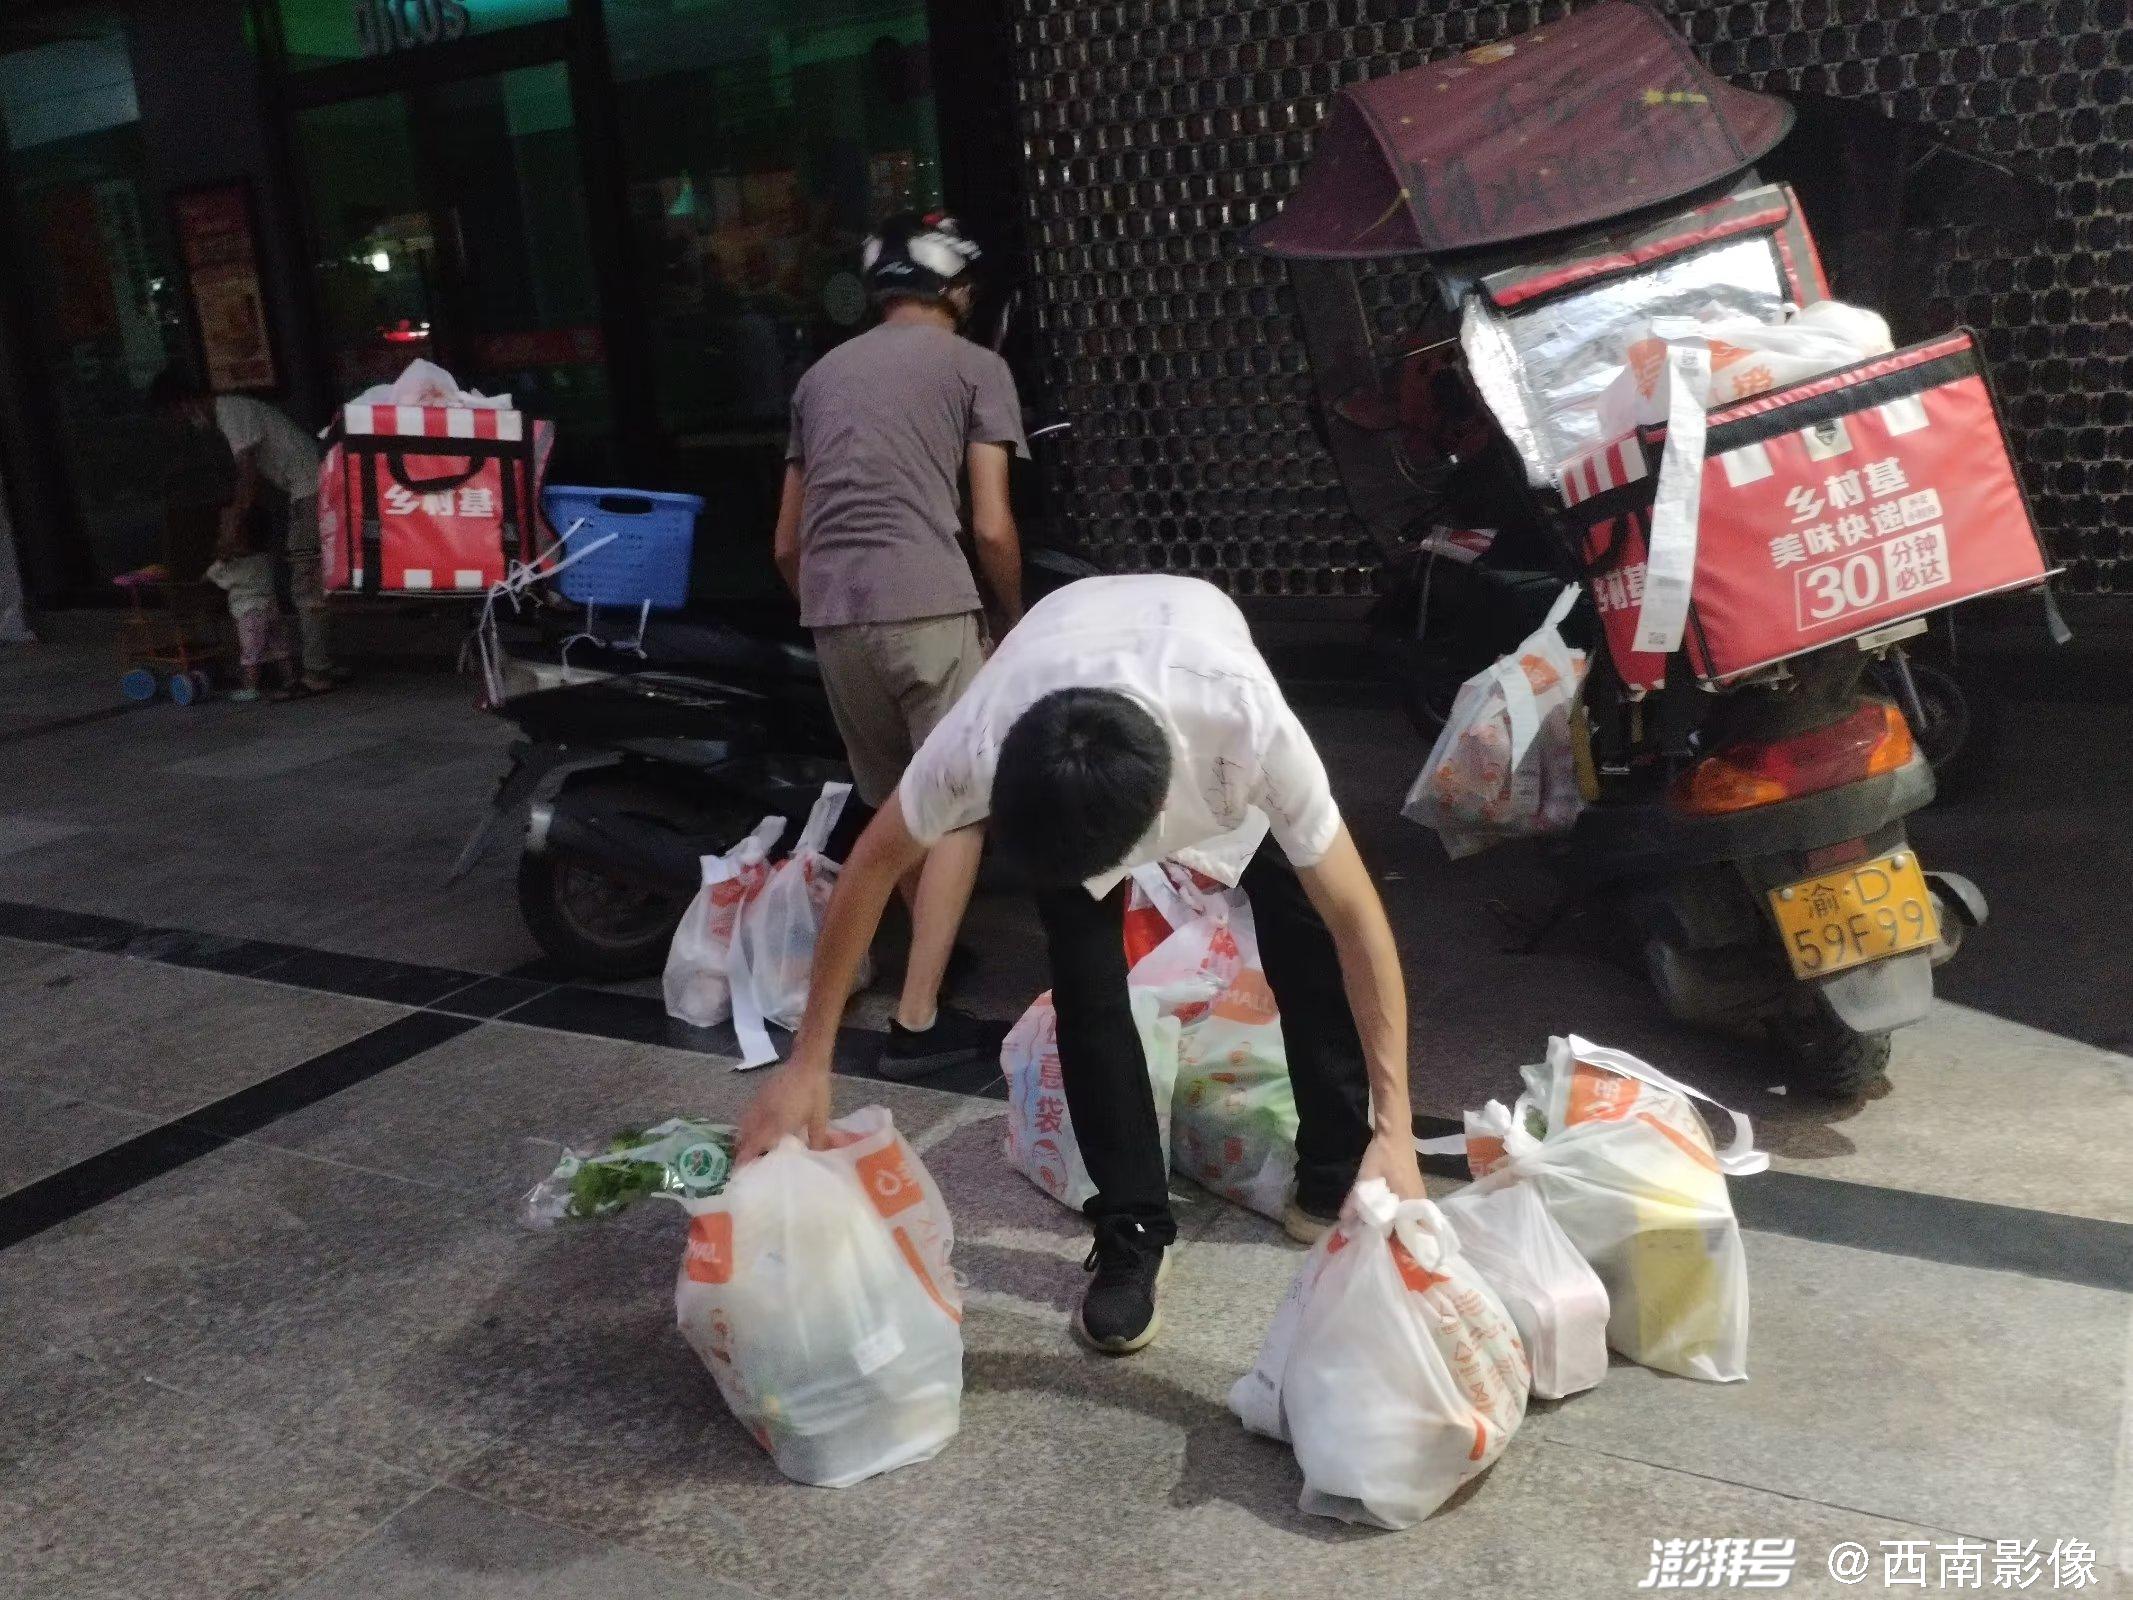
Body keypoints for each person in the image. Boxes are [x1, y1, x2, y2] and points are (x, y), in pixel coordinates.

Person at [735, 574, 1426, 1356]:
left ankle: (1334, 1163)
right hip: (1060, 652)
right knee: (1085, 976)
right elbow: (869, 866)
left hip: (1192, 653)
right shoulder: (979, 743)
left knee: (1304, 926)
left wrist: (1395, 1128)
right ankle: (1132, 1228)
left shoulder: (1247, 729)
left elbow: (1357, 921)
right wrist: (808, 1059)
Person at [772, 213, 1027, 1080]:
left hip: (832, 614)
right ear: (954, 289)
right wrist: (1012, 616)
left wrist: (835, 607)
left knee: (897, 808)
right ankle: (918, 1021)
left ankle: (930, 963)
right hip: (929, 603)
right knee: (957, 807)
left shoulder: (818, 378)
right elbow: (990, 526)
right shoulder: (976, 366)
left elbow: (784, 544)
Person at [149, 371, 340, 697]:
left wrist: (231, 529)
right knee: (313, 579)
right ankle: (321, 662)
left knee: (306, 581)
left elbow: (247, 475)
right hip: (312, 488)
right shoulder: (234, 412)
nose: (183, 422)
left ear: (183, 403)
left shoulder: (231, 411)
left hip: (312, 491)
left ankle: (317, 673)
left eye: (176, 415)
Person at [203, 529, 292, 702]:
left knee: (251, 651)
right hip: (271, 607)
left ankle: (251, 687)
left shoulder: (234, 566)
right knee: (279, 646)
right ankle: (290, 679)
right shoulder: (264, 559)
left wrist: (221, 561)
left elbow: (211, 575)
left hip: (249, 612)